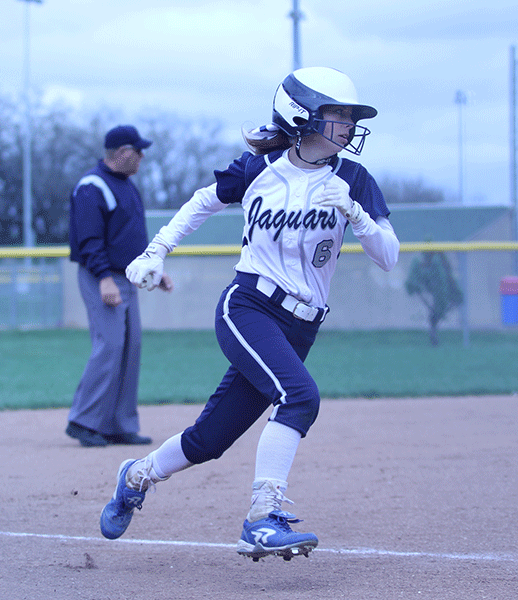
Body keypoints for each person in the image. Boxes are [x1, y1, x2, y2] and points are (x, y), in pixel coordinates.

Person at [98, 67, 400, 562]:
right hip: (249, 306)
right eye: (337, 114)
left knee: (210, 439)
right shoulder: (259, 169)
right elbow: (201, 203)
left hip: (302, 325)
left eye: (351, 116)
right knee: (299, 397)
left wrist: (356, 213)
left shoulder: (354, 179)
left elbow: (387, 254)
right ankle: (261, 519)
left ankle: (136, 477)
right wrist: (156, 252)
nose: (348, 125)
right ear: (302, 116)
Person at [66, 125, 173, 448]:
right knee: (110, 344)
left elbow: (128, 241)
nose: (142, 156)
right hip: (102, 276)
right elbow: (89, 241)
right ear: (123, 152)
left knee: (131, 346)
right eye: (138, 151)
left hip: (125, 275)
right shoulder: (93, 186)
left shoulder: (125, 186)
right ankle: (83, 420)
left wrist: (154, 271)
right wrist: (104, 278)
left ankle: (117, 423)